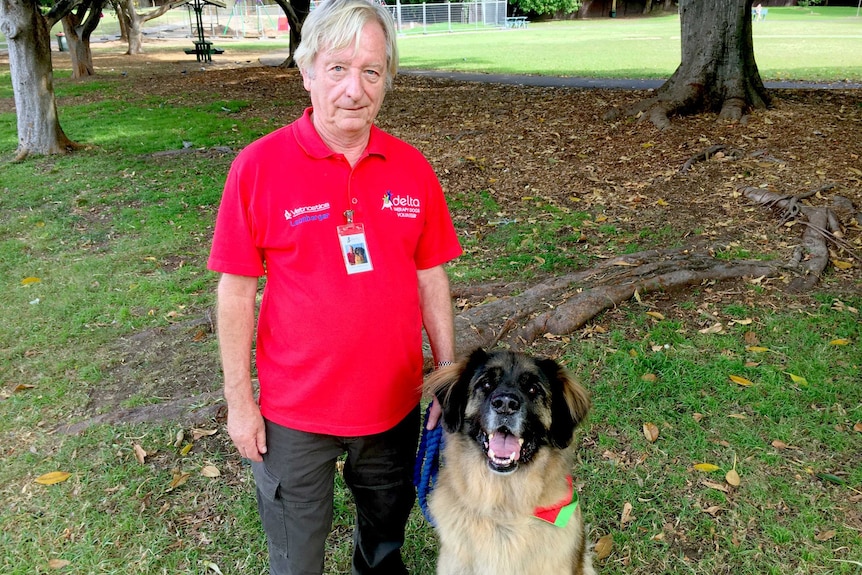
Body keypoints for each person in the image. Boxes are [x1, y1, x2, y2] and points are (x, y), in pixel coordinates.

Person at [207, 0, 462, 573]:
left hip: (393, 408)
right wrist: (240, 402)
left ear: (387, 79)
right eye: (338, 68)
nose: (355, 89)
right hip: (294, 416)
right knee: (296, 558)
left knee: (383, 547)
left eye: (371, 71)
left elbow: (431, 276)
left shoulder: (412, 168)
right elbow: (236, 290)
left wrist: (446, 379)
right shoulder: (257, 167)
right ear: (307, 72)